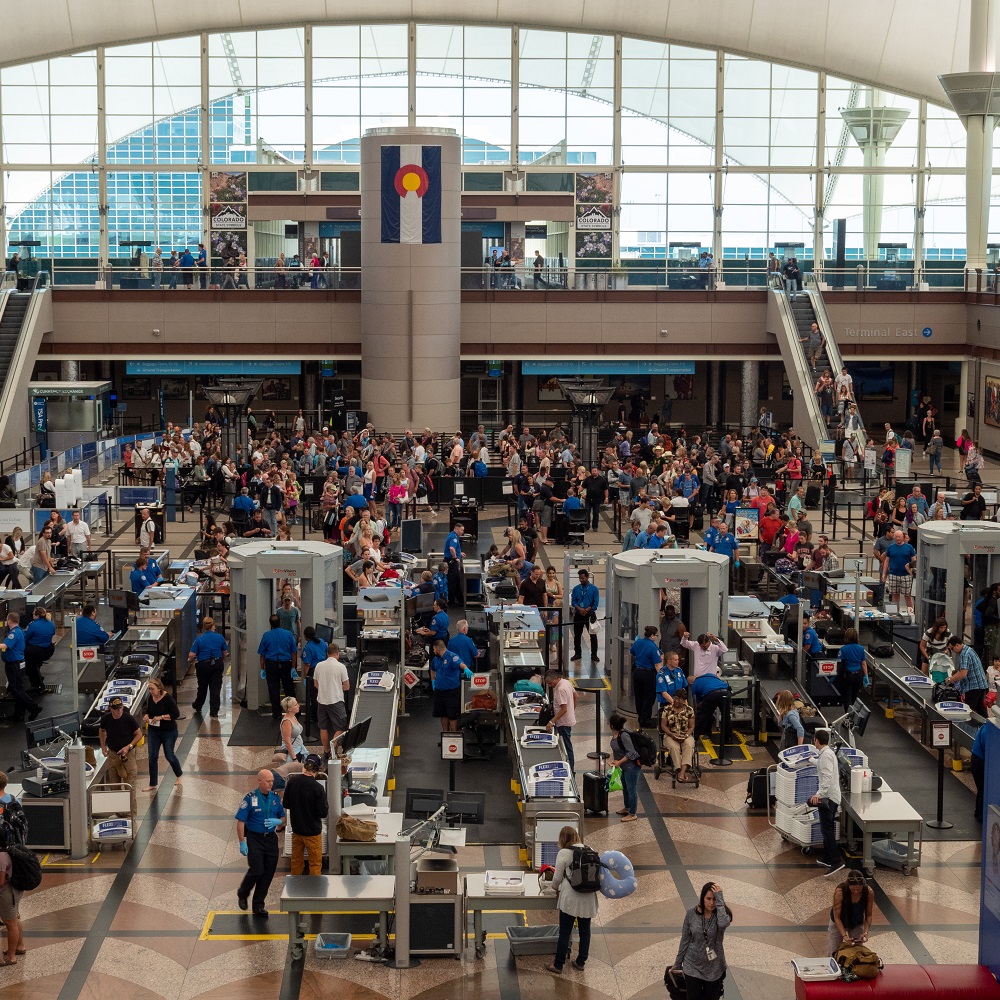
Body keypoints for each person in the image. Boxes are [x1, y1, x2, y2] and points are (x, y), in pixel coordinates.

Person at [544, 825, 598, 975]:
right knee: (585, 931)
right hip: (588, 897)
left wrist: (555, 888)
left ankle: (558, 964)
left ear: (562, 839)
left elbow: (557, 878)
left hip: (570, 898)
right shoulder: (590, 849)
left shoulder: (564, 853)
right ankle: (581, 962)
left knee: (565, 932)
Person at [235, 770, 286, 917]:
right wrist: (241, 842)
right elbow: (241, 821)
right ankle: (243, 892)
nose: (271, 784)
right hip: (255, 838)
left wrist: (279, 822)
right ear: (259, 781)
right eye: (268, 781)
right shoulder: (250, 798)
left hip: (270, 838)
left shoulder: (275, 798)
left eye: (272, 781)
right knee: (257, 870)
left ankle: (258, 905)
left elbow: (282, 818)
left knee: (268, 873)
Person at [672, 882, 732, 1000]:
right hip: (692, 965)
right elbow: (685, 939)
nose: (711, 903)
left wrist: (720, 901)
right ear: (702, 898)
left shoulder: (721, 915)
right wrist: (678, 962)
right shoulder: (691, 914)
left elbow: (723, 923)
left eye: (715, 899)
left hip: (714, 966)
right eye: (708, 898)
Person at [282, 754, 328, 877]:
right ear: (318, 770)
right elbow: (323, 813)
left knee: (296, 861)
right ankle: (314, 891)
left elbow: (286, 803)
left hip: (296, 831)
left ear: (305, 767)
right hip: (313, 833)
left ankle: (294, 890)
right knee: (315, 864)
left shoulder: (292, 782)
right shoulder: (318, 788)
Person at [98, 696, 142, 819]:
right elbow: (101, 731)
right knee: (114, 785)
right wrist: (103, 747)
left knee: (130, 786)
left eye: (121, 708)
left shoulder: (129, 719)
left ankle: (130, 815)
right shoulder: (105, 719)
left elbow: (139, 734)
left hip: (128, 755)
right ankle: (119, 812)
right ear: (110, 709)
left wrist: (129, 746)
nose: (119, 711)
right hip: (113, 755)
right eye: (116, 709)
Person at [809, 729, 844, 876]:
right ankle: (827, 857)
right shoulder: (827, 754)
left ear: (816, 740)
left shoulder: (826, 756)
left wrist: (819, 794)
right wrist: (812, 760)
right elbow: (823, 765)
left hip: (829, 798)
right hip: (830, 796)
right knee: (825, 828)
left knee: (827, 828)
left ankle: (836, 861)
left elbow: (827, 777)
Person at [142, 678, 182, 793]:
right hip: (154, 731)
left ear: (159, 688)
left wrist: (161, 717)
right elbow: (148, 710)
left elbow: (176, 714)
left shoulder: (168, 699)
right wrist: (146, 716)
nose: (151, 691)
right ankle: (153, 783)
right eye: (149, 689)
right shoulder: (150, 698)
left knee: (169, 755)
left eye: (153, 689)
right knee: (152, 757)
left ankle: (179, 774)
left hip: (168, 731)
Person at [258, 615, 298, 721]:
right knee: (289, 688)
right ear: (280, 622)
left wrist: (262, 668)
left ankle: (277, 713)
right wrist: (293, 667)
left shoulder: (266, 635)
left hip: (271, 665)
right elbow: (294, 652)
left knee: (273, 689)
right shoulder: (288, 634)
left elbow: (262, 654)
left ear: (270, 624)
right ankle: (293, 711)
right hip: (286, 664)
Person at [0, 613, 39, 722]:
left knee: (16, 690)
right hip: (18, 663)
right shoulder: (19, 631)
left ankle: (33, 707)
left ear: (9, 620)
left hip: (14, 665)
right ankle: (19, 714)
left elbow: (5, 646)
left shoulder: (14, 633)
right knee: (18, 689)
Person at [313, 642, 350, 755]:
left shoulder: (319, 665)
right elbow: (347, 686)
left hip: (321, 700)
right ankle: (333, 748)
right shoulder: (341, 666)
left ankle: (326, 750)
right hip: (336, 700)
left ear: (327, 654)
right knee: (341, 726)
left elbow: (315, 684)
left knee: (323, 726)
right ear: (337, 654)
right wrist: (336, 688)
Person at [188, 617, 228, 718]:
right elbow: (224, 652)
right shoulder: (220, 637)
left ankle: (198, 705)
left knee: (202, 687)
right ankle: (214, 711)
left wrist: (190, 660)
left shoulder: (199, 640)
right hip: (217, 664)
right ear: (213, 626)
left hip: (203, 666)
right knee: (216, 688)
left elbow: (192, 655)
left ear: (204, 627)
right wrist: (221, 660)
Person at [828, 869, 873, 956]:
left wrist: (866, 931)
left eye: (859, 889)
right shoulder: (840, 892)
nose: (856, 891)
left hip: (857, 922)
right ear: (848, 885)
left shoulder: (868, 892)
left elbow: (869, 915)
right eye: (853, 889)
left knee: (857, 951)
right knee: (834, 952)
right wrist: (844, 936)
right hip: (839, 921)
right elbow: (837, 917)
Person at [0, 829, 26, 965]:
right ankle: (19, 946)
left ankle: (11, 956)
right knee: (13, 920)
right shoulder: (8, 852)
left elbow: (0, 881)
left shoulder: (1, 857)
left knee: (10, 923)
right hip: (14, 891)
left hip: (7, 893)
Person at [609, 712, 641, 822]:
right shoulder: (616, 735)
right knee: (626, 788)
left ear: (612, 726)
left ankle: (633, 813)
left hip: (631, 767)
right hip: (623, 767)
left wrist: (619, 762)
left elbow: (632, 752)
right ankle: (627, 807)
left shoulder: (624, 735)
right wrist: (616, 762)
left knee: (631, 789)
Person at [430, 639, 467, 734]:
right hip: (439, 691)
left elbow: (461, 664)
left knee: (452, 715)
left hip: (451, 692)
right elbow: (432, 668)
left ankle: (453, 736)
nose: (433, 651)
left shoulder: (452, 657)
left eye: (434, 649)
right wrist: (433, 680)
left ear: (438, 649)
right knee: (443, 714)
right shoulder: (436, 659)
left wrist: (466, 669)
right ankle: (445, 736)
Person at [545, 670, 579, 773]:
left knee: (567, 747)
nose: (550, 686)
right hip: (568, 720)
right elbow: (576, 696)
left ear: (555, 678)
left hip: (563, 722)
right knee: (567, 745)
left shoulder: (560, 689)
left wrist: (551, 722)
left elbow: (563, 709)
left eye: (550, 683)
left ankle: (570, 771)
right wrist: (572, 711)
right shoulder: (566, 682)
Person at [629, 625, 663, 728]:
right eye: (656, 635)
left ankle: (640, 717)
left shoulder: (638, 642)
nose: (656, 637)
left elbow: (632, 652)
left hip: (637, 672)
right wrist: (662, 677)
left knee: (639, 696)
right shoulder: (652, 647)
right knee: (649, 697)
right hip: (648, 674)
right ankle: (645, 719)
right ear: (652, 635)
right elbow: (657, 664)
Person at [949, 635, 989, 718]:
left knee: (968, 710)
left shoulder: (964, 654)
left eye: (952, 648)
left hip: (973, 686)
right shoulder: (969, 650)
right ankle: (987, 726)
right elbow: (961, 670)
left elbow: (963, 673)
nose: (953, 651)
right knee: (980, 708)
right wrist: (951, 678)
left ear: (957, 645)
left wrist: (951, 679)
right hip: (981, 684)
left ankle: (968, 729)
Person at [661, 688, 696, 782]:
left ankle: (682, 772)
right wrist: (672, 735)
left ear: (684, 700)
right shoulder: (667, 709)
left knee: (689, 746)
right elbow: (663, 726)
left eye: (679, 699)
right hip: (670, 735)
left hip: (685, 734)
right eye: (675, 698)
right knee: (674, 747)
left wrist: (686, 735)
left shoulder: (689, 710)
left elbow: (691, 727)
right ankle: (679, 769)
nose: (676, 701)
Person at [882, 529, 916, 617]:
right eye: (896, 537)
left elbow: (914, 561)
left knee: (907, 596)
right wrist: (884, 574)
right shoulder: (891, 547)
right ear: (894, 537)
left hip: (906, 575)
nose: (898, 538)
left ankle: (910, 613)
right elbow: (886, 561)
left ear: (903, 537)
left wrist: (913, 573)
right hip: (893, 575)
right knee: (895, 595)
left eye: (899, 537)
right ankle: (895, 613)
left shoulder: (909, 547)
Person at [22, 605, 55, 694]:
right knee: (35, 662)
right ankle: (38, 675)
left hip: (35, 651)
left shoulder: (33, 625)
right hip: (48, 650)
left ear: (36, 615)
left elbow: (25, 637)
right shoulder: (51, 623)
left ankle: (37, 685)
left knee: (28, 666)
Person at [570, 569, 600, 663]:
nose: (581, 580)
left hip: (590, 615)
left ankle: (594, 654)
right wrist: (579, 609)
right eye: (579, 578)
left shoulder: (594, 589)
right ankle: (577, 653)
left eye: (582, 578)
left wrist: (587, 610)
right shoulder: (576, 589)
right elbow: (573, 601)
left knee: (593, 635)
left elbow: (595, 602)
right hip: (579, 614)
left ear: (587, 577)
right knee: (577, 635)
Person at [690, 672, 730, 742]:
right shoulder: (710, 675)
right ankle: (728, 738)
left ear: (691, 683)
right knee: (726, 716)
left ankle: (694, 737)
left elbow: (697, 703)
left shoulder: (694, 684)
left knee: (701, 716)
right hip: (726, 691)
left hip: (712, 694)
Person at [837, 627, 869, 712]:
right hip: (858, 676)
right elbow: (863, 663)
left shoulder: (843, 649)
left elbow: (839, 663)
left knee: (847, 698)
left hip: (848, 676)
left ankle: (848, 718)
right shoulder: (861, 648)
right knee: (854, 697)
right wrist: (866, 676)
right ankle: (854, 716)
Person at [443, 523, 464, 606]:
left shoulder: (451, 534)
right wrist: (455, 557)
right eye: (461, 530)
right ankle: (451, 601)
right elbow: (451, 548)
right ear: (456, 529)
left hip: (449, 560)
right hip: (451, 562)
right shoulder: (454, 537)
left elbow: (453, 548)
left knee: (454, 580)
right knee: (453, 581)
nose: (462, 532)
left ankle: (456, 599)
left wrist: (459, 553)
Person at [279, 696, 305, 762]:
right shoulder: (287, 722)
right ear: (289, 709)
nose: (298, 706)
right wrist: (294, 758)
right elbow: (287, 741)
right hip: (293, 752)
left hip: (298, 749)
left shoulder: (293, 717)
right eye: (295, 705)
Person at [972, 720, 988, 822]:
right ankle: (982, 816)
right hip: (980, 761)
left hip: (976, 758)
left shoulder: (985, 727)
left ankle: (978, 812)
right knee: (983, 789)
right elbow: (988, 749)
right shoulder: (988, 731)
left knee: (981, 789)